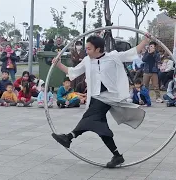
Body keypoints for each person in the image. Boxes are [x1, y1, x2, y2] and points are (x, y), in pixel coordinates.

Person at [51, 35, 149, 168]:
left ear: (98, 49)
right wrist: (58, 64)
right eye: (86, 48)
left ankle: (69, 137)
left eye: (89, 48)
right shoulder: (87, 60)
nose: (86, 51)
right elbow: (73, 71)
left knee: (90, 117)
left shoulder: (113, 57)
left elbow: (131, 52)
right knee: (100, 126)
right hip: (95, 97)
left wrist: (145, 41)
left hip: (109, 97)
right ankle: (117, 156)